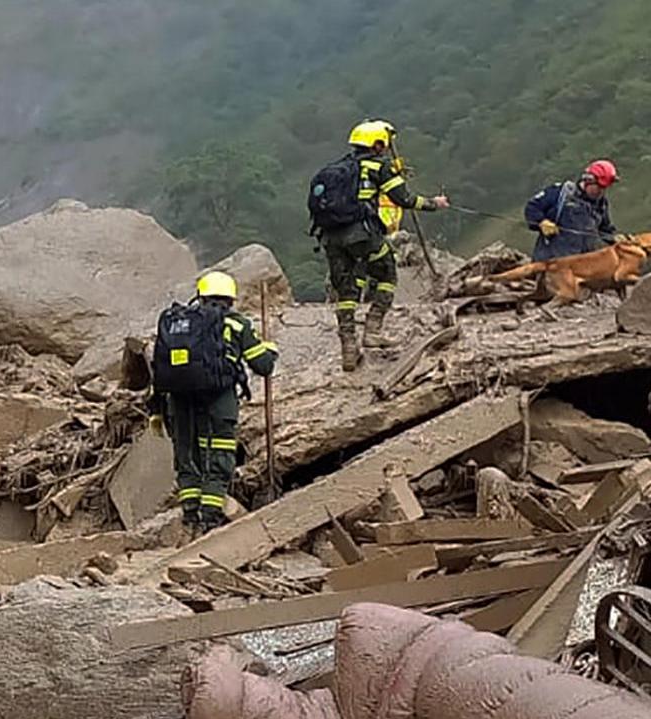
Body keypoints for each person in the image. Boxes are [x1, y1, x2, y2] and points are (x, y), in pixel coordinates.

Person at [309, 119, 448, 372]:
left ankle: (349, 350)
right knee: (387, 273)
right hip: (362, 234)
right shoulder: (380, 166)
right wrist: (434, 204)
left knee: (346, 291)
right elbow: (404, 199)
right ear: (378, 144)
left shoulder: (337, 167)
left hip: (330, 237)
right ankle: (373, 330)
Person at [148, 271, 279, 534]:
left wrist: (156, 412)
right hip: (219, 402)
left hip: (180, 401)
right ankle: (210, 518)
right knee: (218, 456)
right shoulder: (237, 325)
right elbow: (263, 365)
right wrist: (270, 349)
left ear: (201, 296)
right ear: (230, 299)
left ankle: (189, 515)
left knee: (187, 456)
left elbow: (159, 369)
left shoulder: (178, 323)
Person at [524, 160, 619, 262]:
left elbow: (605, 230)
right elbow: (532, 207)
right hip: (551, 263)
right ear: (588, 181)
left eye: (604, 188)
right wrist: (541, 222)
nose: (601, 192)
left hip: (580, 265)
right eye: (599, 187)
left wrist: (615, 239)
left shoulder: (601, 204)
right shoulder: (561, 193)